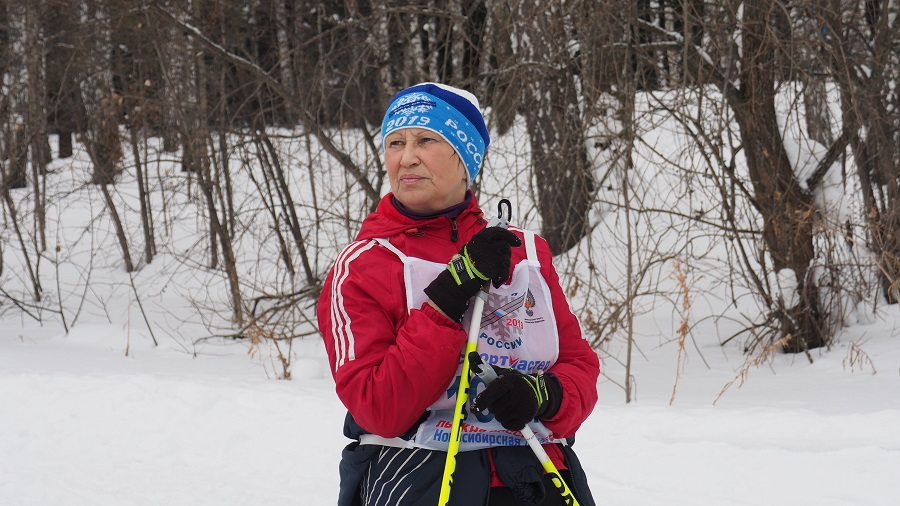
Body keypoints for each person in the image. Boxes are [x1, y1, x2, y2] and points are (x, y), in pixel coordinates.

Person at [317, 82, 600, 506]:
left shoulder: (523, 252)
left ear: (466, 158)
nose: (406, 157)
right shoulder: (364, 265)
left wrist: (543, 395)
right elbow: (378, 407)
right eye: (395, 142)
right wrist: (449, 294)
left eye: (426, 140)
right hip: (418, 478)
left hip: (535, 476)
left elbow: (578, 365)